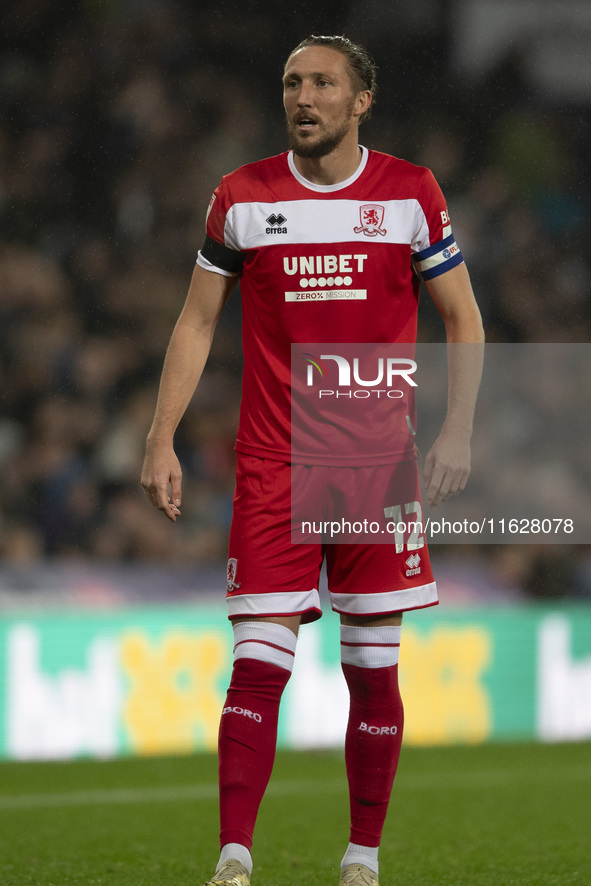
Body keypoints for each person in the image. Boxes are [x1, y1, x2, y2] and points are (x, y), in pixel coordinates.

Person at [141, 34, 484, 886]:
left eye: (323, 82)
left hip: (376, 467)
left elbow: (463, 317)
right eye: (292, 82)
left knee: (372, 671)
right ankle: (232, 856)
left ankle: (361, 856)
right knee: (257, 666)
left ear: (359, 100)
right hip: (273, 462)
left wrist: (457, 430)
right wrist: (160, 435)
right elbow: (194, 321)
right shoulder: (242, 196)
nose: (303, 96)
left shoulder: (409, 194)